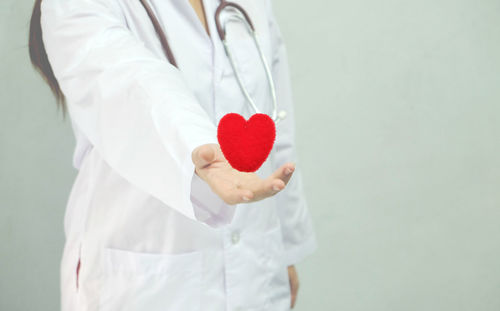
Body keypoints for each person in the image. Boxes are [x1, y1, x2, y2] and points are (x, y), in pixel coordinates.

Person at [29, 0, 317, 310]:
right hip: (145, 281)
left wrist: (286, 248)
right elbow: (129, 79)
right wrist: (200, 149)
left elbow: (277, 124)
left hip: (257, 272)